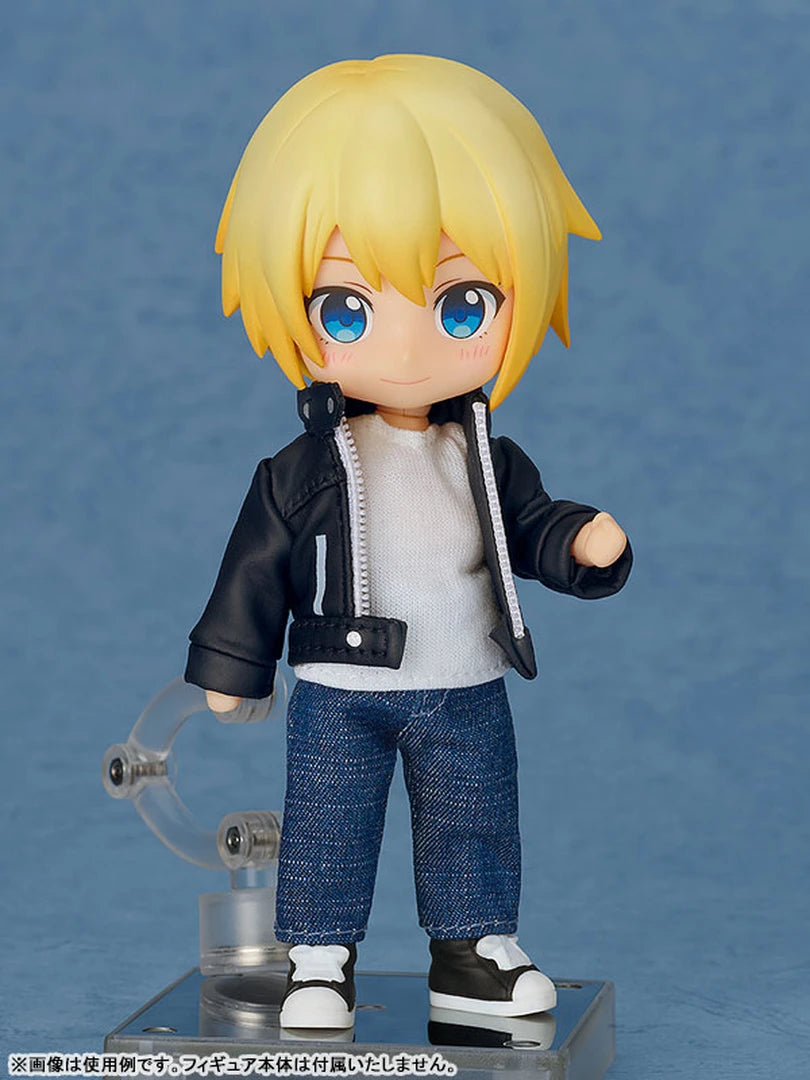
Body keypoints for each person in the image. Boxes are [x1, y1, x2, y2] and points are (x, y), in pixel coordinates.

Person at [184, 55, 632, 1029]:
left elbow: (530, 527)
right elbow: (254, 569)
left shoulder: (483, 456)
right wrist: (232, 666)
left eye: (462, 304)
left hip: (466, 677)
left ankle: (472, 954)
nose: (405, 347)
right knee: (329, 827)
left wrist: (580, 543)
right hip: (341, 685)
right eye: (346, 309)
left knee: (474, 819)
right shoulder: (302, 469)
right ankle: (318, 959)